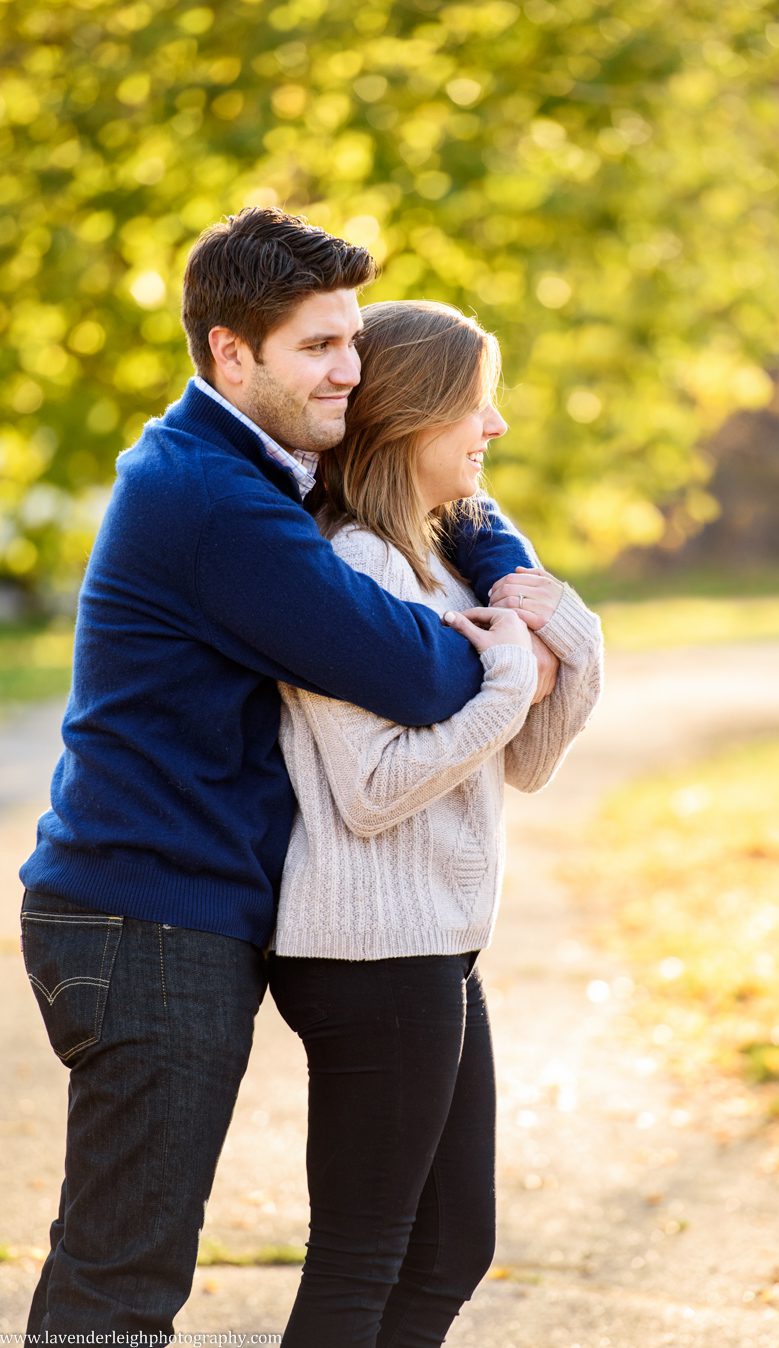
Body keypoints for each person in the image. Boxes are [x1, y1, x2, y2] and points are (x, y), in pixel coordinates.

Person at [17, 207, 559, 1337]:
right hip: (144, 917)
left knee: (137, 1268)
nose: (350, 375)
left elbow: (424, 470)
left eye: (353, 343)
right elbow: (414, 675)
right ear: (230, 350)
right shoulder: (215, 502)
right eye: (319, 347)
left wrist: (500, 562)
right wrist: (510, 657)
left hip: (174, 912)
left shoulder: (248, 465)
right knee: (123, 1279)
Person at [268, 300, 603, 1346]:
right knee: (367, 1251)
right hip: (369, 951)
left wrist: (563, 632)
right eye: (474, 403)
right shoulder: (354, 568)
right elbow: (374, 789)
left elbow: (532, 762)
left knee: (451, 1248)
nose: (495, 426)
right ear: (411, 418)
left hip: (438, 947)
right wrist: (512, 674)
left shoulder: (451, 563)